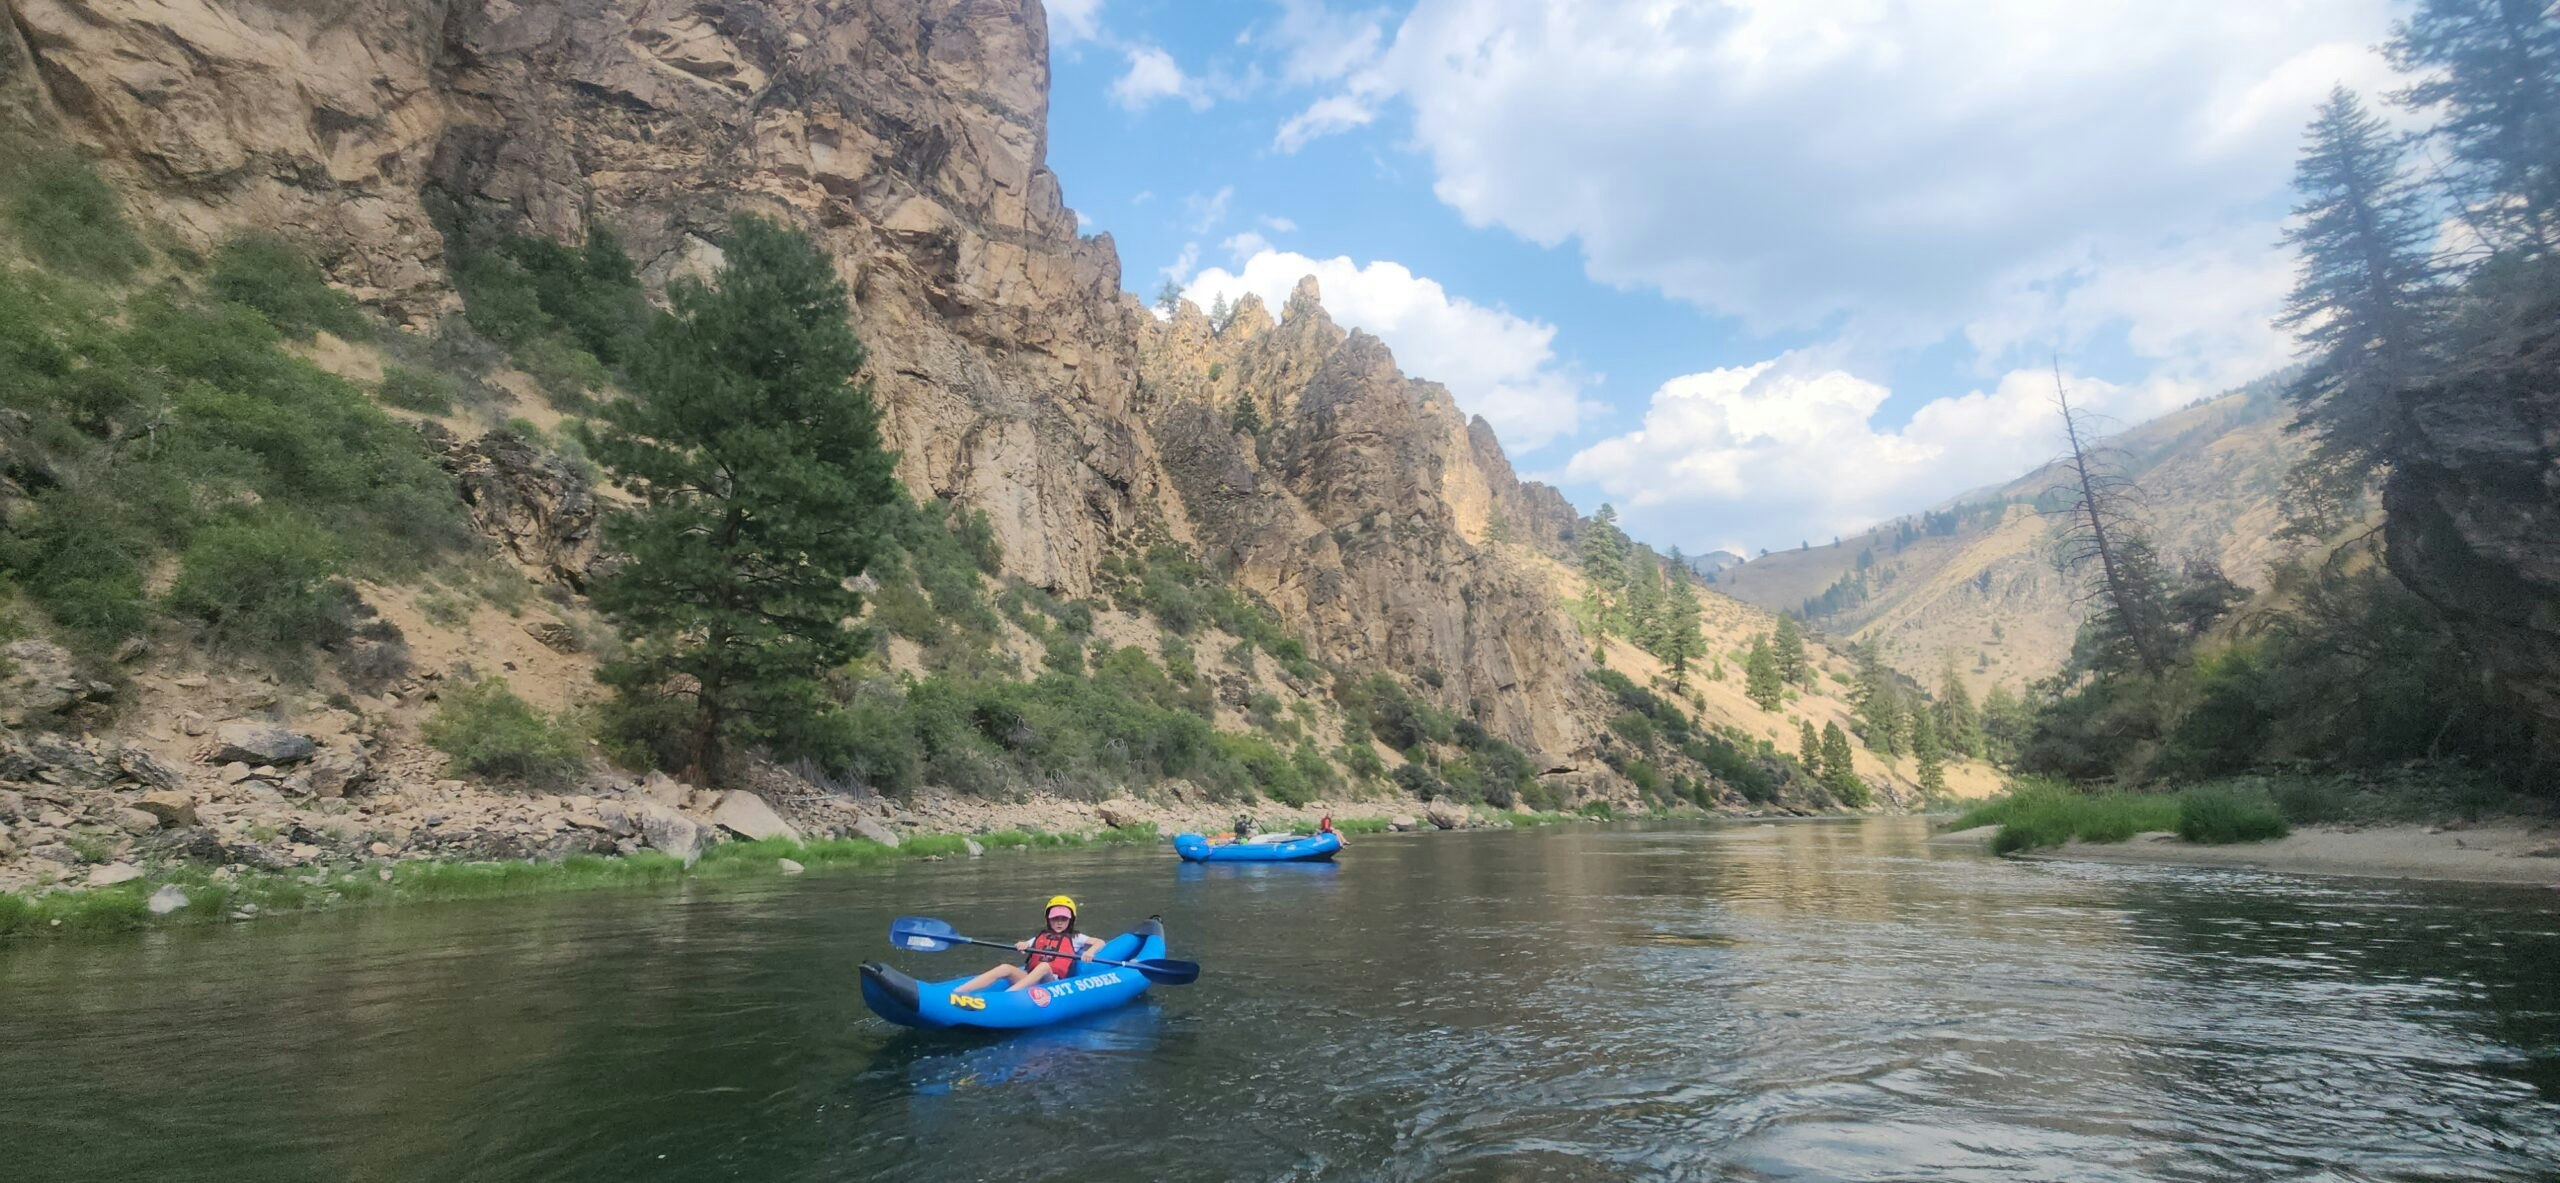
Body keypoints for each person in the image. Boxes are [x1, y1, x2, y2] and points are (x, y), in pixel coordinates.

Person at [953, 896, 1102, 994]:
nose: (1059, 922)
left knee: (1043, 966)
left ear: (1071, 920)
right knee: (1005, 967)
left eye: (1064, 919)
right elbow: (1026, 944)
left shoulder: (1076, 937)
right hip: (1030, 978)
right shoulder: (1041, 937)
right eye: (1055, 919)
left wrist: (1091, 951)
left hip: (1052, 983)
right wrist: (1022, 945)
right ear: (1048, 919)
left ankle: (1007, 996)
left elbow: (1099, 942)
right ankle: (958, 992)